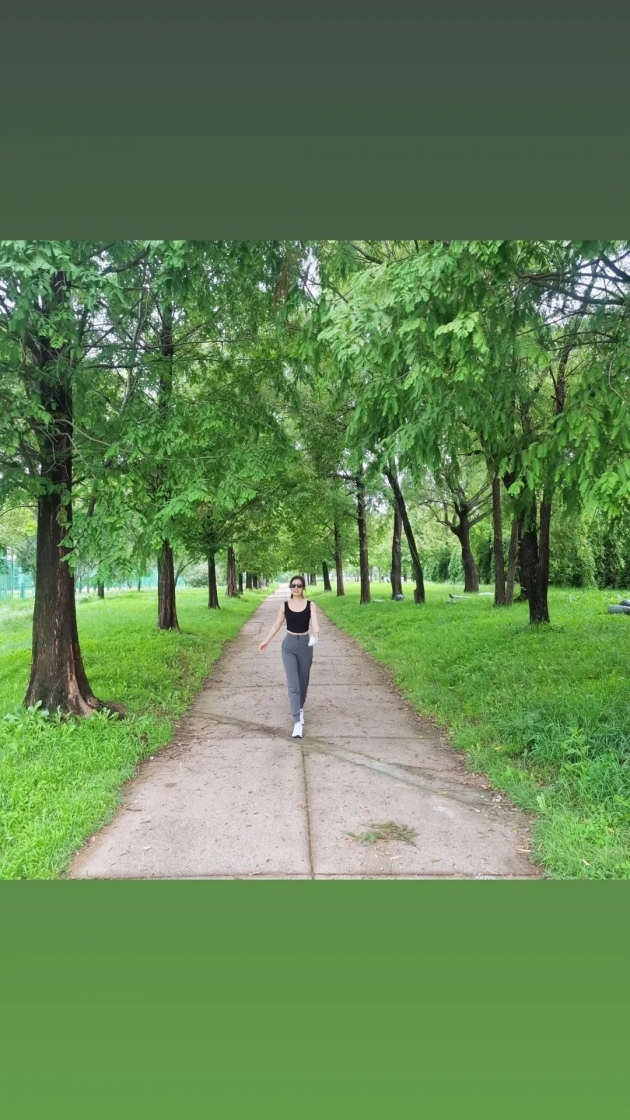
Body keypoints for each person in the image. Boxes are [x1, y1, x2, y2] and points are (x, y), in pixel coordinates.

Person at [258, 575, 320, 738]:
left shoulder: (310, 605)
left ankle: (300, 707)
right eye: (293, 586)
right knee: (293, 684)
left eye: (299, 585)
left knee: (303, 681)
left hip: (306, 645)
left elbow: (315, 622)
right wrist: (266, 641)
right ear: (290, 588)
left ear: (303, 587)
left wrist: (317, 632)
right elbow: (277, 624)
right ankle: (297, 722)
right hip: (289, 646)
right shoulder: (285, 606)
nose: (296, 588)